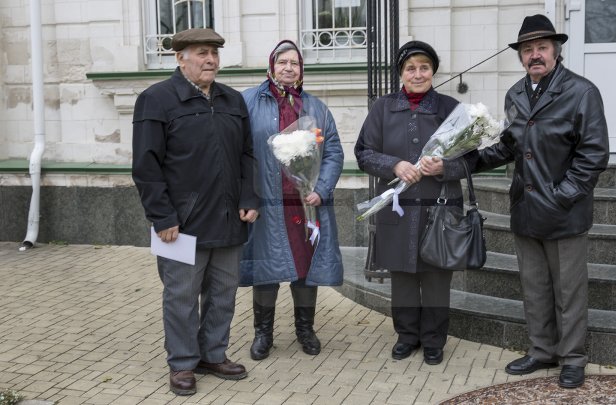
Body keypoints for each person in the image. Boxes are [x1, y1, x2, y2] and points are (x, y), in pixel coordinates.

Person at [473, 15, 610, 388]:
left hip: (564, 211)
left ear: (556, 51)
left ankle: (573, 357)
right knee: (534, 287)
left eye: (542, 48)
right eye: (528, 49)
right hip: (526, 209)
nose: (535, 55)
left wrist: (563, 195)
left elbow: (593, 154)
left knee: (569, 291)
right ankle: (541, 350)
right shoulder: (516, 93)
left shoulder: (582, 92)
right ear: (520, 56)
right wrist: (468, 159)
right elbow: (509, 146)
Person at [132, 28, 259, 396]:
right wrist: (162, 217)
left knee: (223, 293)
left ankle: (213, 353)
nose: (211, 60)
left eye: (215, 54)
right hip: (181, 224)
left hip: (229, 219)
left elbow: (246, 155)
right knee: (182, 296)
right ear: (180, 57)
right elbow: (146, 165)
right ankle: (183, 363)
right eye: (202, 53)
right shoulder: (156, 100)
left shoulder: (232, 100)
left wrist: (249, 196)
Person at [354, 40, 477, 366]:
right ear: (401, 73)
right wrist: (393, 165)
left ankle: (434, 340)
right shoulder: (383, 108)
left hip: (440, 207)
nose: (418, 73)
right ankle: (407, 335)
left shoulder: (451, 108)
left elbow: (472, 160)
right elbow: (363, 153)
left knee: (437, 276)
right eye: (411, 68)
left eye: (424, 67)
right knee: (403, 276)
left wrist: (444, 167)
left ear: (433, 71)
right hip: (399, 207)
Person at [239, 40, 344, 361]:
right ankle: (263, 333)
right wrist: (246, 195)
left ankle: (305, 329)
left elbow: (334, 152)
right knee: (266, 269)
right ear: (271, 66)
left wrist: (321, 189)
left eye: (294, 63)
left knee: (304, 268)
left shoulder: (316, 108)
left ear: (301, 69)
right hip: (266, 204)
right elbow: (239, 153)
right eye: (282, 62)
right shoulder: (247, 102)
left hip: (305, 203)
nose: (288, 68)